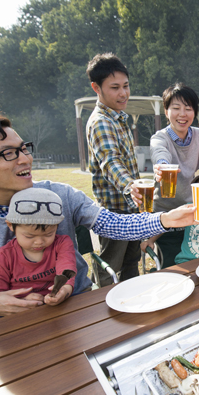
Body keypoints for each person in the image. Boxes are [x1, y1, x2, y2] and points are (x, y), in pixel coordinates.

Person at [0, 111, 197, 323]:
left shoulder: (60, 194)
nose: (25, 159)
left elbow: (110, 223)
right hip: (8, 323)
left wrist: (165, 220)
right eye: (8, 154)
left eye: (24, 148)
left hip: (78, 305)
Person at [86, 53, 143, 285]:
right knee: (108, 269)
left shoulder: (119, 118)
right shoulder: (101, 121)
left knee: (131, 263)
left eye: (126, 86)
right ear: (96, 88)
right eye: (115, 87)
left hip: (130, 210)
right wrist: (130, 186)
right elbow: (110, 162)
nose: (123, 93)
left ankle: (133, 308)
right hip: (113, 215)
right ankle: (99, 312)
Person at [148, 83, 199, 265]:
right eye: (176, 108)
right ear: (166, 111)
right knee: (171, 268)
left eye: (188, 108)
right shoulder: (160, 138)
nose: (182, 114)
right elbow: (159, 153)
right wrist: (162, 166)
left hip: (193, 215)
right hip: (166, 219)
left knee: (197, 266)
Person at [0, 188, 77, 299]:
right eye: (29, 236)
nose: (39, 242)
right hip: (20, 311)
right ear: (10, 225)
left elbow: (66, 268)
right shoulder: (2, 257)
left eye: (48, 234)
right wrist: (22, 301)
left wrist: (64, 290)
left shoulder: (62, 243)